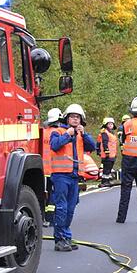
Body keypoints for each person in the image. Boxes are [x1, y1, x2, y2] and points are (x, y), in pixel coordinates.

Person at [49, 104, 97, 250]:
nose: (75, 120)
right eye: (72, 117)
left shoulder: (80, 135)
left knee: (70, 208)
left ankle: (67, 237)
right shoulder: (58, 131)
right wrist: (67, 134)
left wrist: (85, 134)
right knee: (62, 207)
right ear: (67, 118)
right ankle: (60, 239)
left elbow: (92, 146)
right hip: (60, 175)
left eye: (78, 117)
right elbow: (54, 145)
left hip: (74, 176)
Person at [41, 107, 63, 225]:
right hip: (54, 169)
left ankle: (42, 217)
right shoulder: (58, 133)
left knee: (44, 193)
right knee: (53, 194)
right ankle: (50, 219)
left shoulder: (42, 132)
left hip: (40, 170)